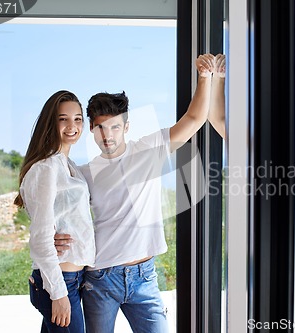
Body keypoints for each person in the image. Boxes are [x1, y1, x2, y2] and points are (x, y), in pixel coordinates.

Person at [55, 54, 214, 333]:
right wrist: (52, 237)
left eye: (115, 126)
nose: (108, 135)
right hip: (100, 278)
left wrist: (205, 77)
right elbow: (58, 211)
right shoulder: (85, 173)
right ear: (91, 129)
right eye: (100, 128)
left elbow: (195, 117)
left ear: (126, 126)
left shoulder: (147, 150)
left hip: (144, 277)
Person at [14, 90, 96, 333]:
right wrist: (58, 294)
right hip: (59, 284)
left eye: (78, 119)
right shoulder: (46, 168)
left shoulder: (68, 165)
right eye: (63, 119)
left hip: (73, 280)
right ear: (51, 122)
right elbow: (40, 237)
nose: (72, 126)